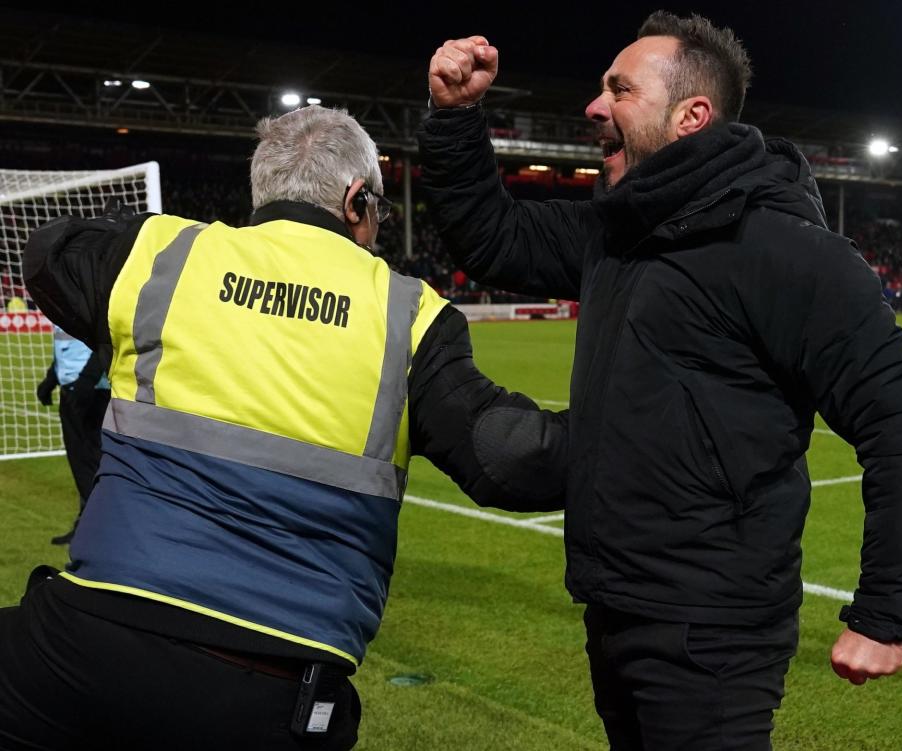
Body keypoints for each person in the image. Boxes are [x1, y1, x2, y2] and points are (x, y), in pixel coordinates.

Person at [420, 14, 902, 750]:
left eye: (619, 89)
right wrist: (456, 119)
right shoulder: (616, 234)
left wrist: (889, 609)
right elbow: (493, 235)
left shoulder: (783, 250)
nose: (594, 106)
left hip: (715, 631)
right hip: (613, 605)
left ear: (691, 117)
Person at [2, 105, 568, 749]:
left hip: (79, 643)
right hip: (266, 686)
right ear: (357, 201)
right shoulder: (406, 313)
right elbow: (514, 461)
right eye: (379, 210)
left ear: (263, 189)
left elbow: (49, 250)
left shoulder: (166, 254)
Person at [36, 324, 111, 545]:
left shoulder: (86, 295)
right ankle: (86, 526)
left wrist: (85, 383)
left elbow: (103, 341)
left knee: (90, 463)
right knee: (83, 463)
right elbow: (65, 345)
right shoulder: (67, 299)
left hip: (90, 391)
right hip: (73, 388)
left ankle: (98, 530)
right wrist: (51, 379)